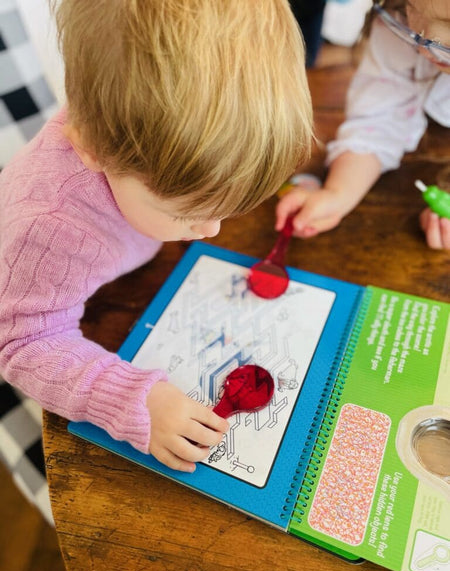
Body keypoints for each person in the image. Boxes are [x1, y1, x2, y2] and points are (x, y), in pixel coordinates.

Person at [0, 0, 313, 479]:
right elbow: (22, 344)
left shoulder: (133, 134)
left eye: (226, 208)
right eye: (188, 212)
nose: (213, 230)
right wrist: (136, 399)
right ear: (93, 149)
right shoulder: (48, 225)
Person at [276, 0, 450, 249]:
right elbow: (378, 122)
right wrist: (339, 193)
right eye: (412, 20)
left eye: (445, 46)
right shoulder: (403, 17)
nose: (422, 51)